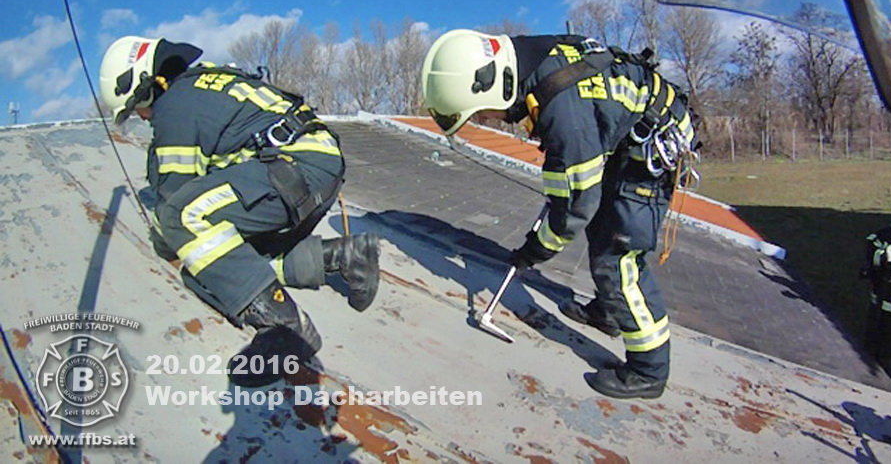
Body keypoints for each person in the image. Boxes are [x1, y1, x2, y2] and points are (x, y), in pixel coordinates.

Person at [422, 29, 698, 399]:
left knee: (617, 254)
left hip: (653, 146)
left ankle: (649, 369)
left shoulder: (562, 110)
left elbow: (572, 207)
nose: (489, 120)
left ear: (493, 89)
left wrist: (535, 251)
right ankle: (611, 313)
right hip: (626, 134)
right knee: (603, 227)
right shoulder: (528, 59)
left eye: (481, 113)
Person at [99, 36, 381, 387]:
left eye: (136, 106)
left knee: (182, 222)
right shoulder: (202, 87)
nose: (142, 117)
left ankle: (286, 328)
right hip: (313, 167)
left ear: (147, 85)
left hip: (296, 169)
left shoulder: (175, 108)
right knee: (223, 259)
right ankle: (343, 257)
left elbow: (175, 202)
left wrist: (167, 242)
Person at [862, 207, 891, 387]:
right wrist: (884, 258)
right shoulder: (884, 236)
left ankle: (889, 382)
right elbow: (871, 249)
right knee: (872, 340)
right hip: (879, 301)